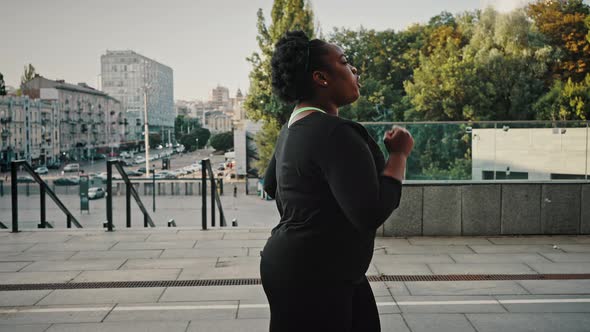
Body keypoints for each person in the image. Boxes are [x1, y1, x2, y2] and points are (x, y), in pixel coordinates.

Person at [260, 30, 414, 332]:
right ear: (321, 78)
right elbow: (369, 213)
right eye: (344, 62)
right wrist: (399, 155)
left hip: (296, 268)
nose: (353, 70)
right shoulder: (335, 132)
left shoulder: (290, 129)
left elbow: (270, 184)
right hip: (317, 277)